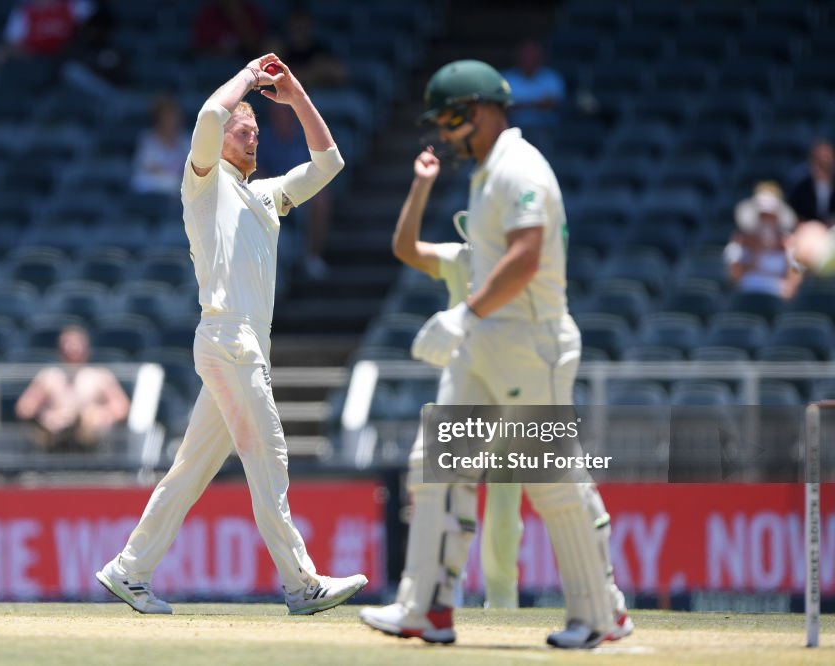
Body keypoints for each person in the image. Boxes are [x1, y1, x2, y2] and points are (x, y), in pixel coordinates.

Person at [359, 60, 632, 649]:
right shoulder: (487, 172)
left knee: (552, 481)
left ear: (477, 111)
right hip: (488, 346)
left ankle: (600, 615)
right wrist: (473, 323)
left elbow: (527, 256)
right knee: (435, 466)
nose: (447, 134)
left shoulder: (521, 167)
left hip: (530, 346)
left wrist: (465, 312)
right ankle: (425, 608)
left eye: (451, 120)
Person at [96, 53, 367, 615]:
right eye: (243, 132)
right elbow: (206, 118)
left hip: (240, 346)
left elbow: (329, 163)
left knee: (190, 470)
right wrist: (248, 75)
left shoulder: (266, 196)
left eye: (256, 134)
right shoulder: (204, 183)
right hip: (229, 338)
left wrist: (294, 95)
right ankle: (301, 583)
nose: (251, 141)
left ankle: (129, 569)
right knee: (269, 457)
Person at [389, 153, 522, 610]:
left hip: (515, 397)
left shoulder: (521, 264)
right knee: (443, 499)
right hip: (464, 394)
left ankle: (502, 608)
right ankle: (439, 599)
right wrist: (421, 185)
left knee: (505, 519)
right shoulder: (460, 257)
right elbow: (405, 249)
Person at [15, 325, 131, 451]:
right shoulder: (48, 376)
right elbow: (24, 408)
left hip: (93, 444)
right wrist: (47, 415)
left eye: (76, 344)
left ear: (86, 348)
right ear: (59, 348)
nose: (71, 349)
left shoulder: (100, 376)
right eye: (67, 344)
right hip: (54, 442)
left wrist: (99, 415)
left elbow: (122, 408)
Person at [257, 103, 332, 279]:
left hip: (304, 190)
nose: (280, 118)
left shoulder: (308, 135)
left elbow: (320, 169)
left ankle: (312, 256)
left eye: (284, 113)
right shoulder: (263, 138)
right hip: (274, 192)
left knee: (322, 199)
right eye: (275, 114)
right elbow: (255, 171)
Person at [724, 181, 802, 300]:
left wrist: (789, 255)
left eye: (770, 214)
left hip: (777, 297)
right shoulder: (741, 240)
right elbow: (734, 277)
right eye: (763, 214)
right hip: (747, 295)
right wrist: (755, 252)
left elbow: (796, 274)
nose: (766, 219)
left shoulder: (788, 242)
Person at [502, 40, 565, 154]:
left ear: (541, 58)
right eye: (526, 56)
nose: (530, 60)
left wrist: (519, 105)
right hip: (513, 126)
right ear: (519, 57)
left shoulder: (551, 77)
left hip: (545, 127)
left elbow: (551, 104)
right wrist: (536, 104)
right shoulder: (507, 78)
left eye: (533, 57)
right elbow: (504, 106)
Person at [0, 0, 93, 66]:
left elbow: (93, 28)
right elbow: (12, 45)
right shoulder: (24, 12)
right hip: (35, 60)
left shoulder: (74, 5)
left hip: (69, 57)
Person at [131, 96, 190, 195]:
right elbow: (146, 166)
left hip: (179, 187)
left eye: (173, 116)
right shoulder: (147, 139)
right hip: (152, 185)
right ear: (158, 118)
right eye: (166, 117)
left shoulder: (186, 140)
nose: (170, 121)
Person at [192, 0, 267, 60]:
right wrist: (220, 51)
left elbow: (254, 47)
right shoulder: (209, 13)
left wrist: (237, 16)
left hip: (243, 64)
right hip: (213, 64)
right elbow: (199, 48)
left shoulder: (252, 12)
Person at [787, 139, 835, 225]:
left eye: (827, 162)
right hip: (808, 231)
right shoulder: (799, 186)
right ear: (811, 162)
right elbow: (793, 214)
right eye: (820, 162)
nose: (824, 166)